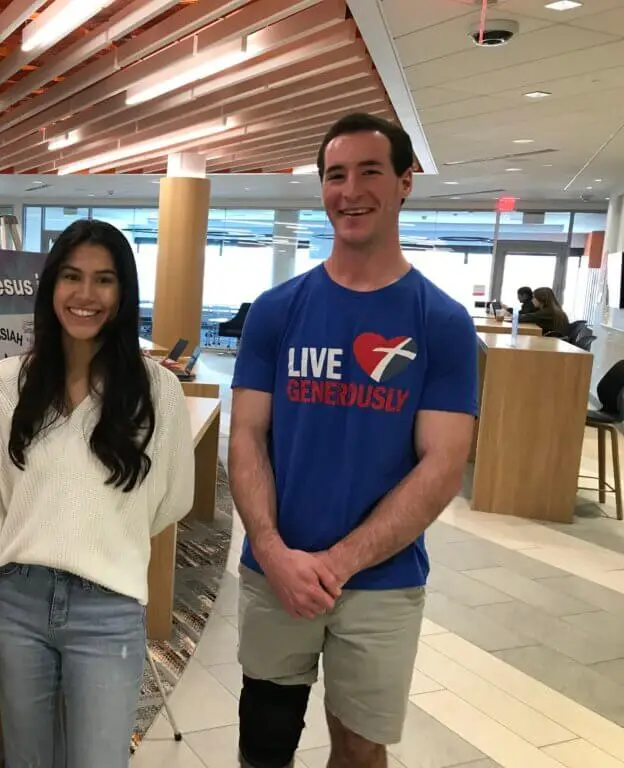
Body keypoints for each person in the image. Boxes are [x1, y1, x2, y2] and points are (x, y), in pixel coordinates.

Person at [229, 112, 477, 768]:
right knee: (264, 741)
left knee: (361, 749)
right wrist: (273, 550)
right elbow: (248, 436)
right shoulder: (277, 311)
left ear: (404, 184)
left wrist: (336, 564)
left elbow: (443, 465)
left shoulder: (441, 324)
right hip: (276, 570)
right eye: (336, 175)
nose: (351, 189)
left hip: (382, 581)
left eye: (370, 171)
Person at [0, 219, 195, 768]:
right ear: (51, 287)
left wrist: (106, 534)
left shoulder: (159, 394)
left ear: (124, 292)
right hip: (17, 606)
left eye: (104, 280)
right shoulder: (5, 384)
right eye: (72, 277)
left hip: (109, 612)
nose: (86, 296)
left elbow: (172, 499)